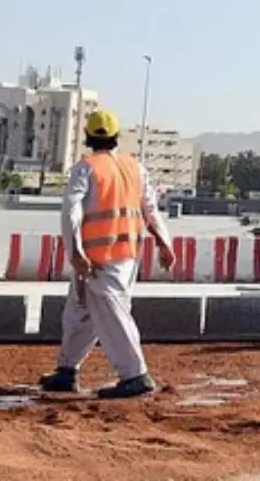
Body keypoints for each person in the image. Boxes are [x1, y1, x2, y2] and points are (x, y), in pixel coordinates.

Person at [38, 110, 175, 398]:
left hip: (99, 258)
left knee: (111, 313)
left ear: (87, 137)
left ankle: (135, 375)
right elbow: (150, 208)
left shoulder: (86, 168)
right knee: (80, 312)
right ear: (116, 137)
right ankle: (66, 370)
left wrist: (74, 250)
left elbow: (71, 211)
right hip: (126, 254)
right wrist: (164, 243)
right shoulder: (134, 167)